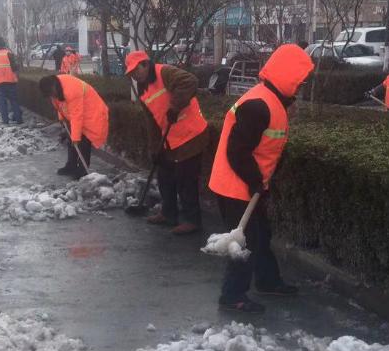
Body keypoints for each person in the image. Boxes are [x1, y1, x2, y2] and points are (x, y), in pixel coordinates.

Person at [208, 44, 314, 313]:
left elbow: (265, 147)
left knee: (261, 234)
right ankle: (233, 295)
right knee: (243, 242)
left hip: (250, 184)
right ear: (287, 74)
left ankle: (267, 280)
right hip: (235, 186)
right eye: (300, 79)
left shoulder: (271, 100)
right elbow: (237, 151)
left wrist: (262, 181)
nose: (302, 85)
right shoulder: (259, 104)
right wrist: (256, 180)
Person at [126, 50, 209, 235]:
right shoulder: (143, 89)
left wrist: (174, 106)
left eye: (136, 70)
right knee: (164, 174)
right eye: (131, 72)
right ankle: (168, 213)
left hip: (191, 134)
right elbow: (152, 122)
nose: (134, 74)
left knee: (185, 179)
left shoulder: (165, 72)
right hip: (171, 138)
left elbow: (190, 81)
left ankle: (193, 221)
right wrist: (154, 148)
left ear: (146, 64)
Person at [39, 74, 109, 179]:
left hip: (91, 112)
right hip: (79, 113)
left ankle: (82, 170)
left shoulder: (71, 90)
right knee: (70, 138)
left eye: (51, 94)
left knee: (83, 141)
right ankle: (71, 166)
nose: (51, 96)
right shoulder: (55, 87)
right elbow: (59, 104)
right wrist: (61, 117)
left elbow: (77, 115)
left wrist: (75, 137)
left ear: (53, 87)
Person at [0, 37, 23, 124]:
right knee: (14, 100)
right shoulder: (8, 53)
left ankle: (5, 121)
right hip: (10, 81)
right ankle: (19, 119)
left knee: (2, 102)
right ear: (4, 44)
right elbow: (15, 67)